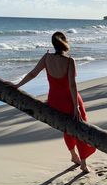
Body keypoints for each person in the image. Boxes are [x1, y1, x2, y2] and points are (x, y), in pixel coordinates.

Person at [14, 31, 96, 173]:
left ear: (53, 44)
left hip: (54, 102)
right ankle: (83, 163)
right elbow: (72, 86)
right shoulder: (70, 61)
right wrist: (76, 106)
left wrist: (17, 85)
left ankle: (73, 156)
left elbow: (33, 73)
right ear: (65, 43)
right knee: (80, 128)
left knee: (66, 128)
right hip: (70, 101)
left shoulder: (46, 58)